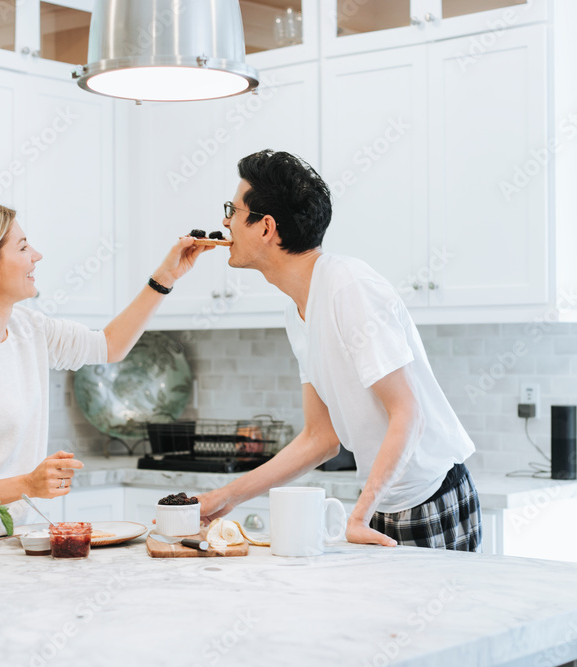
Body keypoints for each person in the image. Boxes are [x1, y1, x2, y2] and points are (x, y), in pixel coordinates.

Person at [198, 150, 481, 550]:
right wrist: (221, 498)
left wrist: (360, 514)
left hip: (429, 497)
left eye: (233, 209)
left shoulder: (349, 287)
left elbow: (408, 412)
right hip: (384, 503)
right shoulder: (297, 311)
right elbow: (321, 436)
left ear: (266, 227)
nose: (225, 222)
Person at [0, 203, 208, 546]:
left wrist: (166, 276)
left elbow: (109, 346)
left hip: (11, 546)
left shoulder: (27, 330)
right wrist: (26, 486)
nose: (37, 255)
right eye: (23, 247)